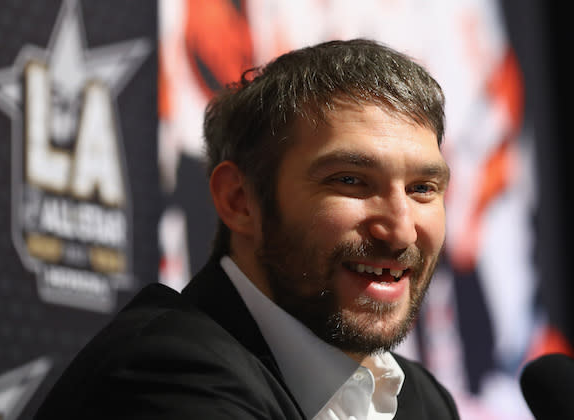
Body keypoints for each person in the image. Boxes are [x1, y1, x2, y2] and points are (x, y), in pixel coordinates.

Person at [34, 39, 458, 420]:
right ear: (240, 200)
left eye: (423, 188)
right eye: (350, 180)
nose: (400, 231)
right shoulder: (164, 374)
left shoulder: (422, 401)